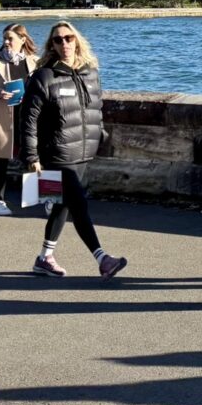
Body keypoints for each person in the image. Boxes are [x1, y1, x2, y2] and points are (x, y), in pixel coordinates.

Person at [22, 20, 127, 279]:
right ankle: (102, 258)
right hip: (56, 153)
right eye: (58, 40)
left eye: (69, 38)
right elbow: (28, 119)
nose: (64, 43)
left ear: (77, 40)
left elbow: (96, 110)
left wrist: (99, 136)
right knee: (78, 204)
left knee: (62, 206)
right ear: (52, 46)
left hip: (82, 151)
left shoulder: (90, 73)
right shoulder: (44, 76)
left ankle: (44, 258)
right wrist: (31, 156)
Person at [0, 23, 39, 215]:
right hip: (1, 117)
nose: (6, 42)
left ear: (22, 40)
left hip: (26, 116)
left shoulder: (35, 61)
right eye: (4, 38)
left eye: (10, 38)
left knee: (33, 156)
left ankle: (36, 197)